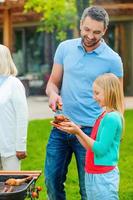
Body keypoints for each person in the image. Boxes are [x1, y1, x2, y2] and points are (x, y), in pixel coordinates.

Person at [45, 6, 123, 200]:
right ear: (80, 24)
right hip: (61, 126)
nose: (90, 35)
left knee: (88, 190)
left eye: (96, 32)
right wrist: (53, 95)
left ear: (105, 30)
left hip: (91, 132)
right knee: (51, 183)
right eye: (87, 29)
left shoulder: (113, 60)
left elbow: (117, 100)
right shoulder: (64, 48)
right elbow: (53, 83)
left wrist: (116, 131)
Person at [54, 73, 124, 200]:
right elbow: (90, 146)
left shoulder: (112, 118)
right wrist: (75, 131)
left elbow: (100, 149)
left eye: (97, 93)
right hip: (92, 172)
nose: (94, 97)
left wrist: (79, 132)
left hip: (103, 176)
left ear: (109, 92)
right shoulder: (103, 115)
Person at [0, 44, 28, 171]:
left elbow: (22, 117)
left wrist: (20, 146)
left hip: (9, 148)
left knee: (11, 187)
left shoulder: (14, 84)